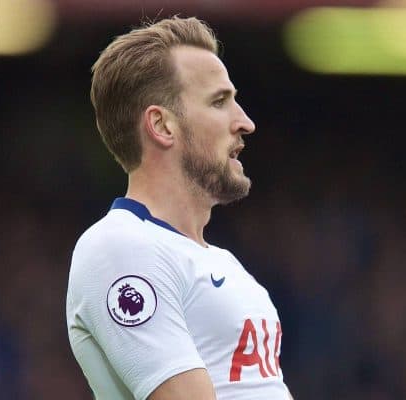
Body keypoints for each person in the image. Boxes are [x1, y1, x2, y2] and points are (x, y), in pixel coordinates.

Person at [66, 16, 293, 400]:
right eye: (219, 102)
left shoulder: (224, 264)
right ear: (162, 126)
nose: (246, 122)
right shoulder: (119, 247)